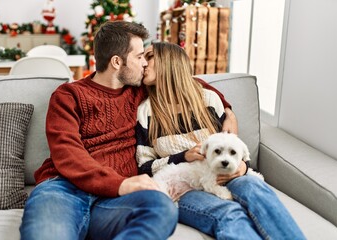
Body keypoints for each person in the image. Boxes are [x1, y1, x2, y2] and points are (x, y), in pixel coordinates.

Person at [20, 21, 233, 240]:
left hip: (116, 201)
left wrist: (227, 110)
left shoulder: (138, 91)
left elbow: (182, 82)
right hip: (64, 189)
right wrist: (120, 183)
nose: (145, 64)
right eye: (140, 57)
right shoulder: (68, 95)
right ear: (116, 61)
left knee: (161, 208)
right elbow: (67, 154)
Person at [136, 42, 306, 240]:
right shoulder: (146, 111)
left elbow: (232, 147)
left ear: (169, 62)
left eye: (148, 56)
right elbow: (144, 167)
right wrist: (183, 156)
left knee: (256, 189)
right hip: (184, 190)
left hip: (224, 174)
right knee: (230, 213)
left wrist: (243, 166)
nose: (143, 63)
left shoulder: (209, 100)